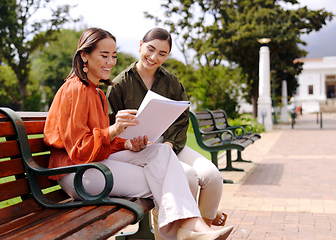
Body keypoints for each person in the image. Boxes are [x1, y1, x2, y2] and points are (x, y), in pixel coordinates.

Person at [43, 27, 233, 240]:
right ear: (84, 56)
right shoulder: (75, 90)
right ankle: (194, 228)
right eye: (104, 55)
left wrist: (125, 144)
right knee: (170, 178)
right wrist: (114, 130)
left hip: (94, 163)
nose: (110, 62)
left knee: (161, 152)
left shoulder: (96, 93)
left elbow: (100, 143)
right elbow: (79, 151)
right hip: (77, 173)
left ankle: (192, 228)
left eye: (113, 56)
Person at [106, 27, 227, 236]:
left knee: (212, 176)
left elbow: (182, 119)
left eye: (162, 53)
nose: (154, 57)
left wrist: (170, 144)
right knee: (188, 176)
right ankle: (171, 235)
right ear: (140, 45)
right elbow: (110, 126)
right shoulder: (119, 85)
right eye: (150, 49)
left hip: (170, 144)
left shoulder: (171, 82)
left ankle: (203, 232)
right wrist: (130, 142)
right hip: (139, 151)